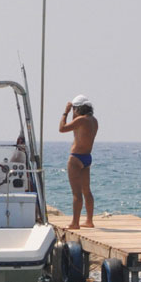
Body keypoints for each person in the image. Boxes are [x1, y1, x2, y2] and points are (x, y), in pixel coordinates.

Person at [59, 95, 99, 229]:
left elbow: (62, 128)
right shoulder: (93, 120)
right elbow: (76, 129)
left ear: (78, 109)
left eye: (75, 109)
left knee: (76, 193)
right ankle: (89, 220)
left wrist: (65, 111)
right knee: (87, 191)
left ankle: (75, 223)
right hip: (87, 157)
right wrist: (73, 112)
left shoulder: (81, 121)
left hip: (76, 158)